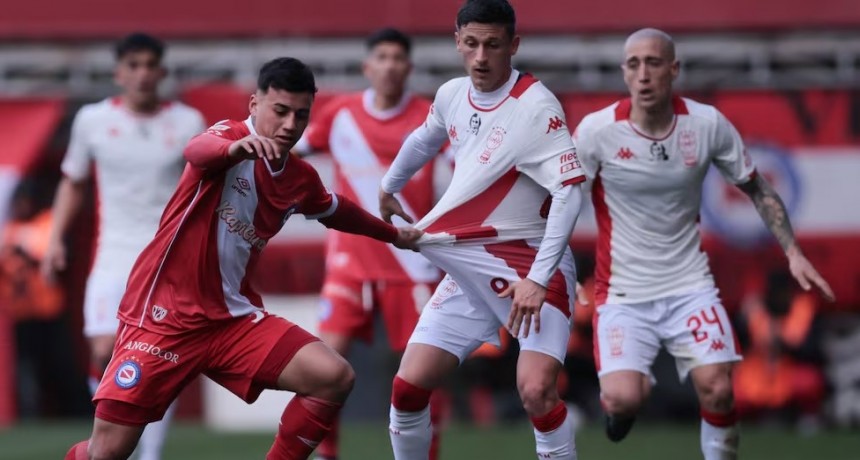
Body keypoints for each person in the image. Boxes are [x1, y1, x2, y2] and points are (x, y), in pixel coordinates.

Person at [63, 57, 422, 460]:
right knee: (107, 452)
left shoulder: (298, 178)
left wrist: (394, 234)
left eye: (300, 115)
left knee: (333, 377)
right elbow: (198, 150)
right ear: (254, 105)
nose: (289, 124)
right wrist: (235, 148)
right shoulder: (228, 137)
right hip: (165, 318)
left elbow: (336, 209)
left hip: (231, 320)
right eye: (280, 111)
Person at [572, 28, 835, 459]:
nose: (643, 74)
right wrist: (538, 266)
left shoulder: (706, 124)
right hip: (621, 293)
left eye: (653, 63)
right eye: (633, 64)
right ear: (623, 72)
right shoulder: (597, 131)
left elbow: (757, 188)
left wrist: (793, 251)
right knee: (622, 400)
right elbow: (562, 201)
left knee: (716, 387)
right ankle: (627, 399)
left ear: (673, 69)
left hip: (688, 286)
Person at [379, 1, 586, 459]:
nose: (480, 57)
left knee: (535, 392)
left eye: (492, 45)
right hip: (470, 266)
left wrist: (536, 279)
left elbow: (571, 192)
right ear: (457, 42)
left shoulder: (536, 106)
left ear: (513, 45)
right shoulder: (452, 93)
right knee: (407, 387)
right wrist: (389, 185)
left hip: (532, 266)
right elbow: (424, 138)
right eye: (470, 44)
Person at [42, 33, 206, 460]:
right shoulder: (92, 121)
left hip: (168, 260)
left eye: (151, 65)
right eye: (133, 65)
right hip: (113, 254)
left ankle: (147, 454)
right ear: (118, 73)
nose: (143, 74)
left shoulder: (188, 122)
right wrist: (56, 238)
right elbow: (73, 182)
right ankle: (113, 445)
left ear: (163, 72)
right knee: (102, 348)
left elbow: (209, 192)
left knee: (154, 358)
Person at [293, 28, 447, 460]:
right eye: (381, 56)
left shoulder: (431, 117)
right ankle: (325, 454)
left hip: (413, 265)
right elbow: (289, 152)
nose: (390, 65)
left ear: (409, 67)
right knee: (322, 368)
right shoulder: (340, 113)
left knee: (421, 378)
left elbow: (467, 173)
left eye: (398, 57)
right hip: (350, 264)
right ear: (367, 66)